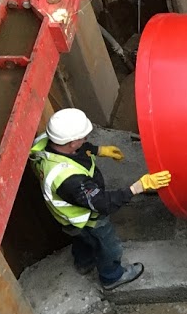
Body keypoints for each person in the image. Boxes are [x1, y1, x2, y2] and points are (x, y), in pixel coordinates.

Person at [29, 108, 172, 290]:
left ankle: (84, 263)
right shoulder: (70, 179)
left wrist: (97, 150)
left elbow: (75, 149)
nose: (86, 140)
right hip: (87, 219)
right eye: (83, 138)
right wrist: (138, 187)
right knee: (108, 246)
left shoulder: (46, 143)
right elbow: (103, 204)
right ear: (72, 142)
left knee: (81, 240)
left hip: (67, 219)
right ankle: (112, 277)